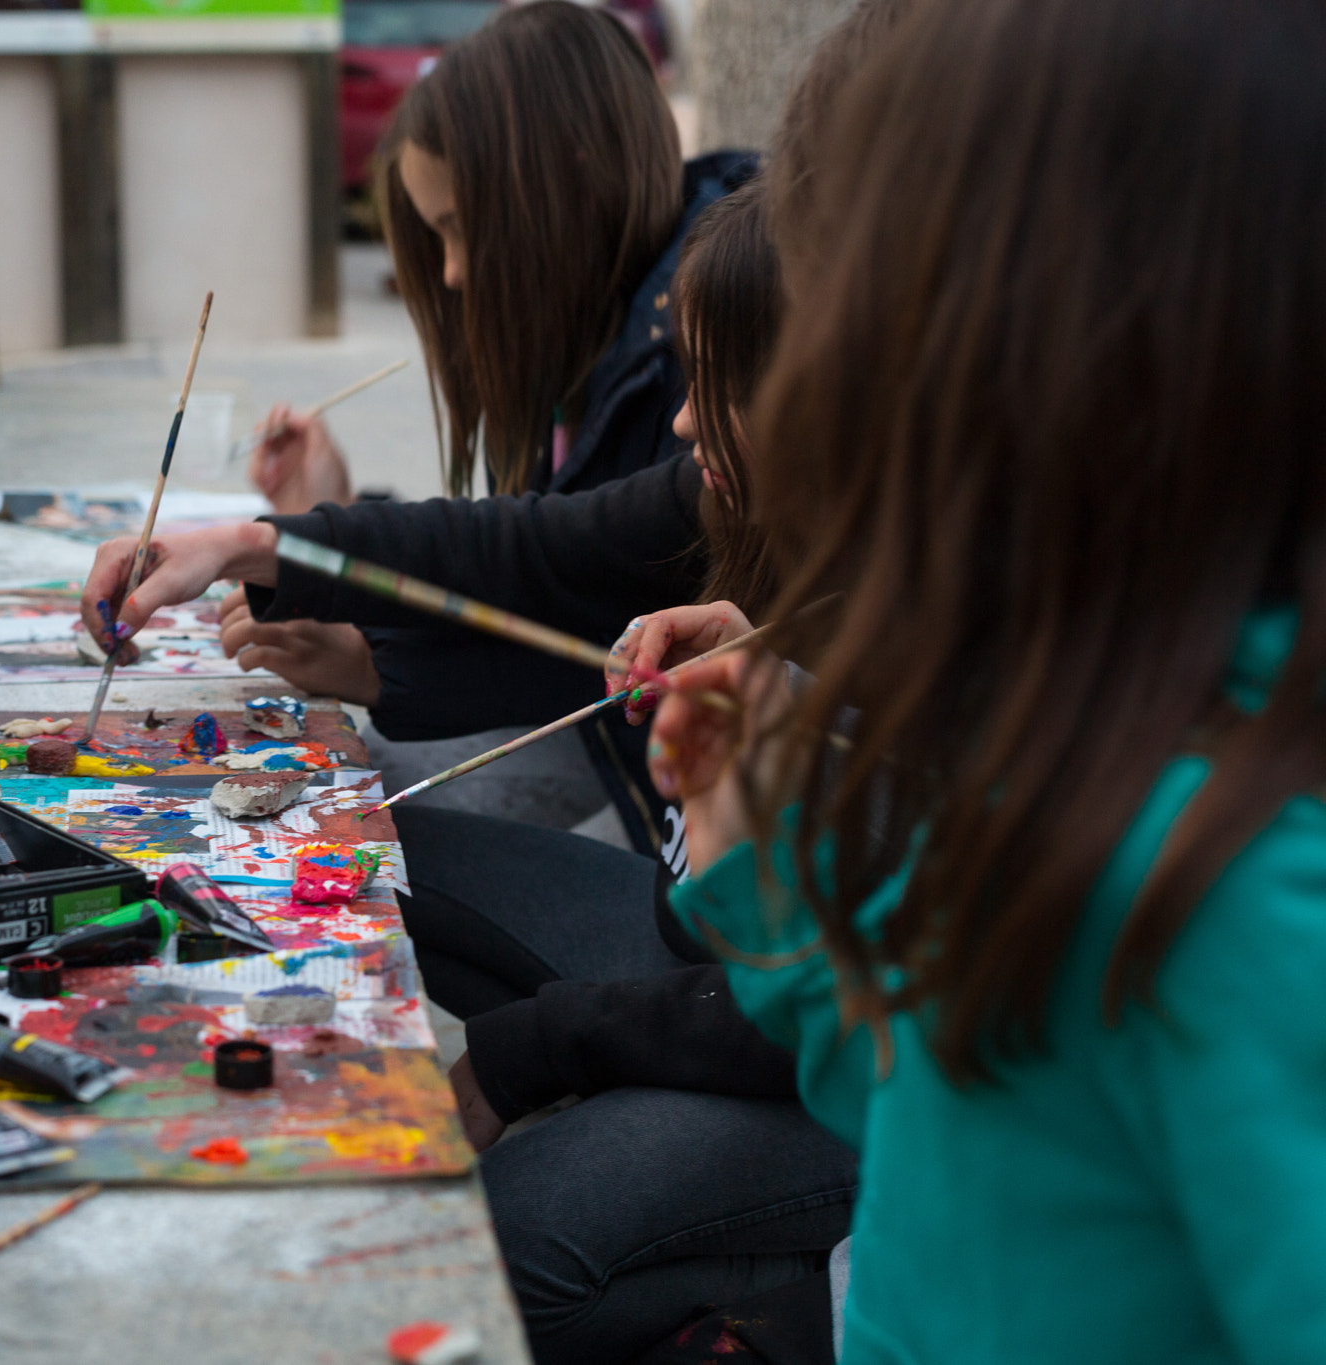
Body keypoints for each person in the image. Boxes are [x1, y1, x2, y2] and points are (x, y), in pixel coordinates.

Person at [649, 0, 1326, 1359]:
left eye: (847, 306)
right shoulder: (1065, 732)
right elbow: (913, 1087)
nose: (801, 382)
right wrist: (761, 861)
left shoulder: (1233, 886)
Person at [81, 180, 857, 1364]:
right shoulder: (744, 504)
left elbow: (801, 1004)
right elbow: (535, 553)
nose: (687, 424)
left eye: (453, 229)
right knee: (362, 854)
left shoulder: (940, 633)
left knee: (480, 1248)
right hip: (724, 973)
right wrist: (261, 546)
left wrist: (528, 1053)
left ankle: (763, 1296)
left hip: (820, 1054)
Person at [218, 0, 756, 861]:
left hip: (672, 821)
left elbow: (575, 608)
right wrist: (340, 524)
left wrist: (355, 628)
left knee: (344, 838)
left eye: (459, 231)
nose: (455, 273)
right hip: (650, 799)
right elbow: (533, 558)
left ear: (566, 182)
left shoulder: (701, 334)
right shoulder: (619, 323)